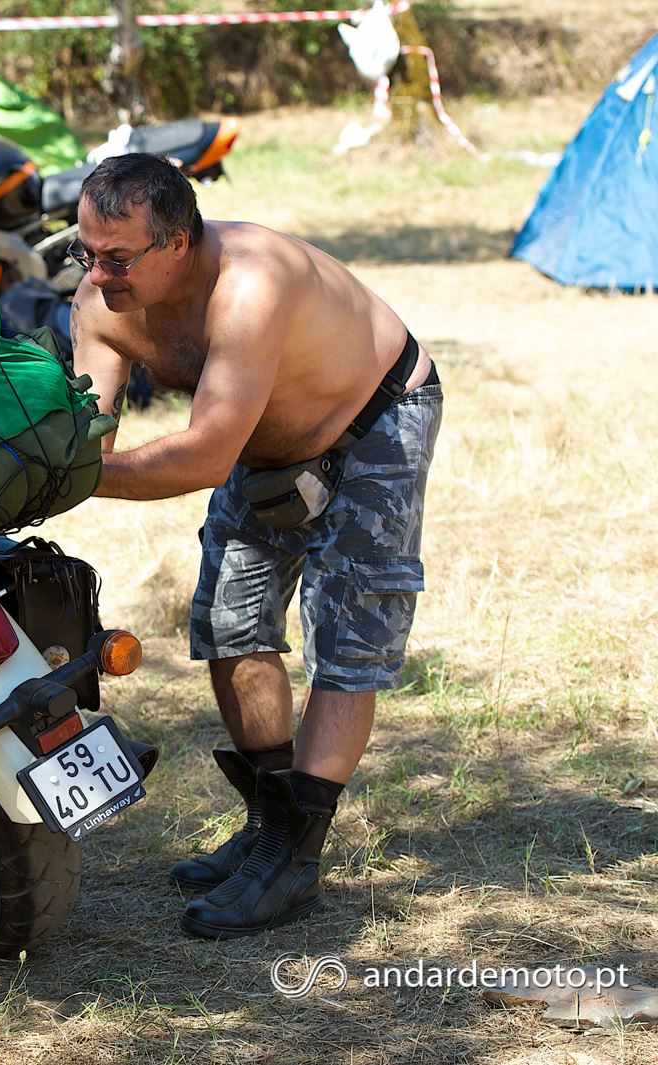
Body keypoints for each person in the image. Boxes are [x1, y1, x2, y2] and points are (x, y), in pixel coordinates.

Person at [70, 153, 441, 939]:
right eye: (85, 252)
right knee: (229, 622)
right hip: (264, 445)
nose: (99, 275)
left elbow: (204, 455)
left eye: (118, 257)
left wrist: (74, 479)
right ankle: (272, 823)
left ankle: (295, 856)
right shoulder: (103, 300)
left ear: (178, 242)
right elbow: (86, 439)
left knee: (346, 638)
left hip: (374, 417)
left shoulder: (250, 284)